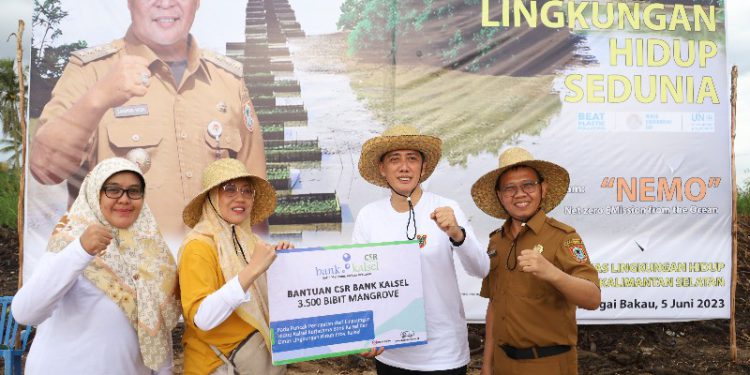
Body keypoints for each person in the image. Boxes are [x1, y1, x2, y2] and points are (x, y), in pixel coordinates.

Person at [29, 0, 266, 236]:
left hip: (215, 270)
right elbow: (45, 170)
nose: (166, 3)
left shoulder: (228, 80)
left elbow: (255, 204)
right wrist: (98, 98)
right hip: (121, 271)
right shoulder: (91, 72)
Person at [12, 157, 180, 374]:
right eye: (113, 190)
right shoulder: (69, 242)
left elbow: (158, 326)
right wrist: (81, 251)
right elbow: (25, 313)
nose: (124, 199)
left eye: (134, 191)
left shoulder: (153, 252)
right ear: (94, 193)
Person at [352, 124, 490, 374]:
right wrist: (364, 334)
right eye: (395, 159)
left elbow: (481, 268)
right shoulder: (368, 216)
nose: (404, 167)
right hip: (391, 353)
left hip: (444, 354)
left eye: (412, 159)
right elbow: (360, 281)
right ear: (382, 169)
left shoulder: (447, 208)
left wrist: (458, 234)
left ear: (423, 168)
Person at [471, 147, 601, 375]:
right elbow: (494, 304)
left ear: (543, 188)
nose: (519, 194)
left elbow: (592, 298)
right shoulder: (496, 242)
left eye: (528, 185)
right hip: (502, 363)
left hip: (548, 364)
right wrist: (487, 364)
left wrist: (552, 273)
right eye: (509, 188)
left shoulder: (563, 237)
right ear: (500, 196)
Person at [178, 158, 289, 375]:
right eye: (229, 189)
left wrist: (283, 263)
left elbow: (265, 299)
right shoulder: (198, 246)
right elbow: (203, 319)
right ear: (211, 197)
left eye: (247, 191)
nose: (241, 198)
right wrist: (253, 269)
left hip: (254, 360)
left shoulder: (249, 242)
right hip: (217, 366)